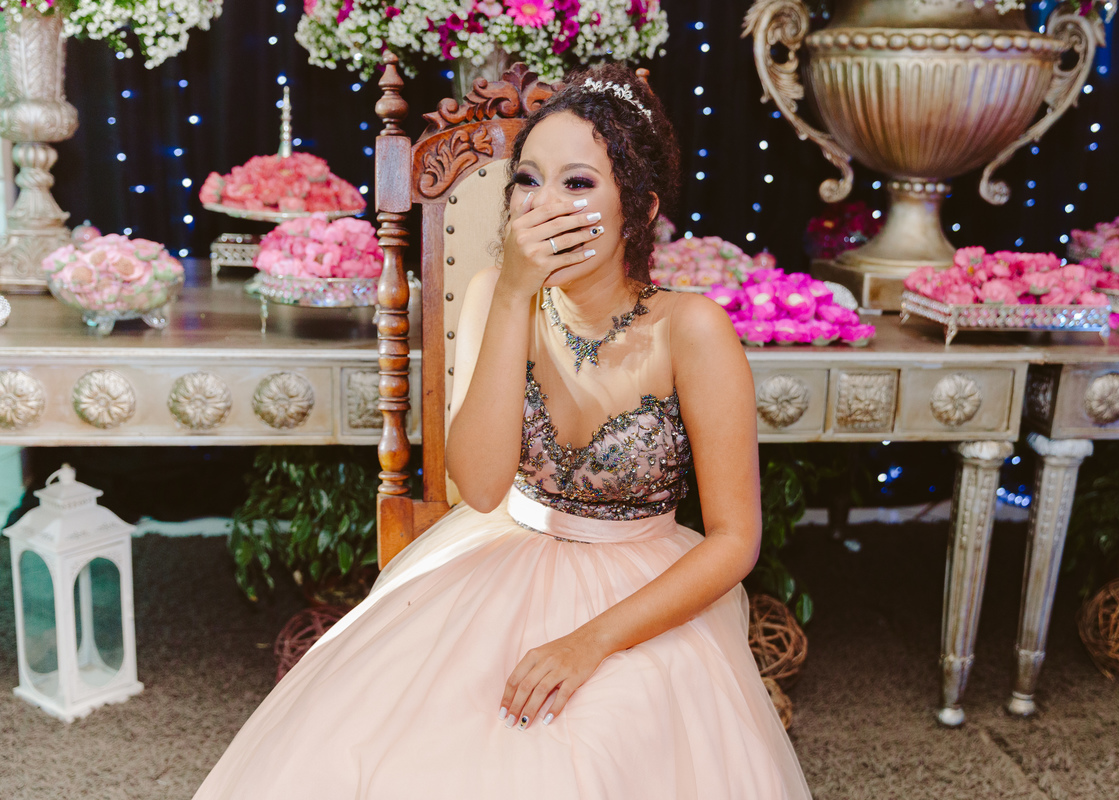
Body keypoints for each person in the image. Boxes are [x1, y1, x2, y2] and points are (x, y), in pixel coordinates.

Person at [192, 63, 810, 799]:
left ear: (639, 210)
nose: (543, 204)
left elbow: (735, 540)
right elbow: (481, 486)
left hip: (642, 583)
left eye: (577, 184)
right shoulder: (494, 293)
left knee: (593, 744)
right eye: (528, 180)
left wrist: (588, 643)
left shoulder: (693, 329)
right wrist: (515, 291)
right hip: (500, 552)